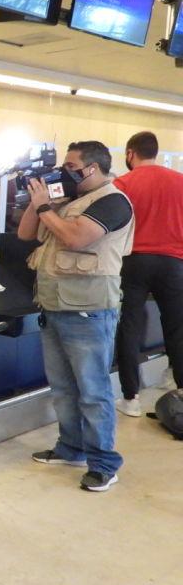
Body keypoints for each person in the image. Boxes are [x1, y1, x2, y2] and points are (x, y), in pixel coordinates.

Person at [19, 141, 134, 492]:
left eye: (71, 166)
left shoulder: (113, 201)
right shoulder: (65, 202)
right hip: (54, 307)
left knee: (92, 390)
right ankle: (71, 447)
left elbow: (76, 238)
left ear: (93, 169)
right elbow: (26, 234)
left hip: (89, 312)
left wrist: (45, 209)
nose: (64, 171)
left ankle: (103, 463)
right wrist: (40, 200)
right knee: (64, 388)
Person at [113, 132, 183, 416]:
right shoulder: (180, 181)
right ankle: (180, 391)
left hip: (134, 261)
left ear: (130, 153)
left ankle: (131, 398)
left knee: (129, 326)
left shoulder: (122, 183)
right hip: (174, 262)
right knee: (178, 328)